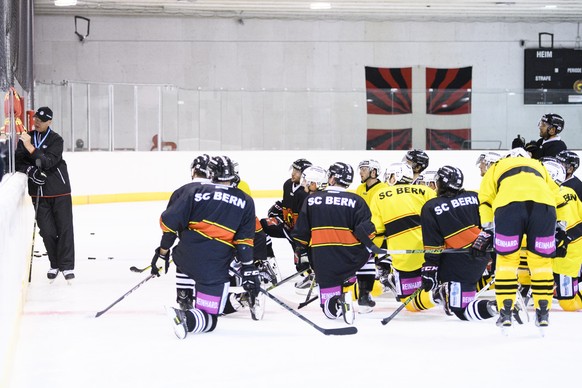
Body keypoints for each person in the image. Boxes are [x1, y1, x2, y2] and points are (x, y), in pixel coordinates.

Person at [160, 155, 258, 339]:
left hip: (183, 257)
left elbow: (170, 223)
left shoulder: (194, 190)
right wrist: (248, 268)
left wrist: (162, 252)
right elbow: (244, 241)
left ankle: (184, 295)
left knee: (184, 258)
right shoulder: (245, 200)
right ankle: (187, 317)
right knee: (210, 319)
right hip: (213, 267)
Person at [474, 147, 568, 333]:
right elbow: (560, 198)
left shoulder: (497, 166)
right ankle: (543, 312)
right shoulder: (538, 165)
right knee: (541, 264)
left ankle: (506, 312)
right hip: (544, 209)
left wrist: (488, 230)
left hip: (509, 208)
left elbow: (484, 200)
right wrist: (561, 229)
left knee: (507, 262)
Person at [291, 162, 381, 323]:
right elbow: (368, 233)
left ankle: (339, 302)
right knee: (369, 252)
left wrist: (302, 254)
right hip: (351, 259)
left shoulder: (312, 200)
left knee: (329, 311)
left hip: (323, 262)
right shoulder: (357, 200)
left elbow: (301, 234)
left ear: (332, 178)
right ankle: (362, 293)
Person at [414, 165, 501, 321]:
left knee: (460, 310)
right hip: (480, 258)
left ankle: (498, 306)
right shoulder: (475, 197)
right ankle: (449, 290)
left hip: (456, 263)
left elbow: (434, 246)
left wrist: (430, 270)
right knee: (462, 297)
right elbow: (493, 224)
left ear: (440, 183)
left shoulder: (431, 206)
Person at [15, 107, 75, 282]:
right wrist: (30, 170)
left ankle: (66, 266)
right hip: (39, 192)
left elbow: (48, 162)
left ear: (50, 121)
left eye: (42, 119)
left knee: (64, 230)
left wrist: (30, 148)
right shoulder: (27, 136)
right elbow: (19, 162)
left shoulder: (56, 140)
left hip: (60, 190)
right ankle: (54, 264)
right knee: (47, 231)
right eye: (36, 118)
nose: (37, 122)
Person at [369, 162, 436, 308]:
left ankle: (435, 296)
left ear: (396, 176)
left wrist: (373, 253)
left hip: (405, 260)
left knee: (409, 304)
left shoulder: (380, 195)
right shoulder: (426, 191)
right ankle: (439, 293)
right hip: (434, 255)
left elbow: (378, 231)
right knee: (433, 288)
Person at [259, 158, 313, 289]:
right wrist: (278, 207)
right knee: (260, 226)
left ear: (305, 174)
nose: (293, 173)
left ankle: (312, 276)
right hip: (287, 226)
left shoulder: (307, 193)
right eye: (293, 170)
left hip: (300, 234)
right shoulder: (287, 184)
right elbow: (286, 201)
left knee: (302, 264)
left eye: (297, 171)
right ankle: (268, 263)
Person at [541, 158, 582, 311]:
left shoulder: (548, 197)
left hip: (567, 253)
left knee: (568, 304)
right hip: (567, 248)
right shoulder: (569, 191)